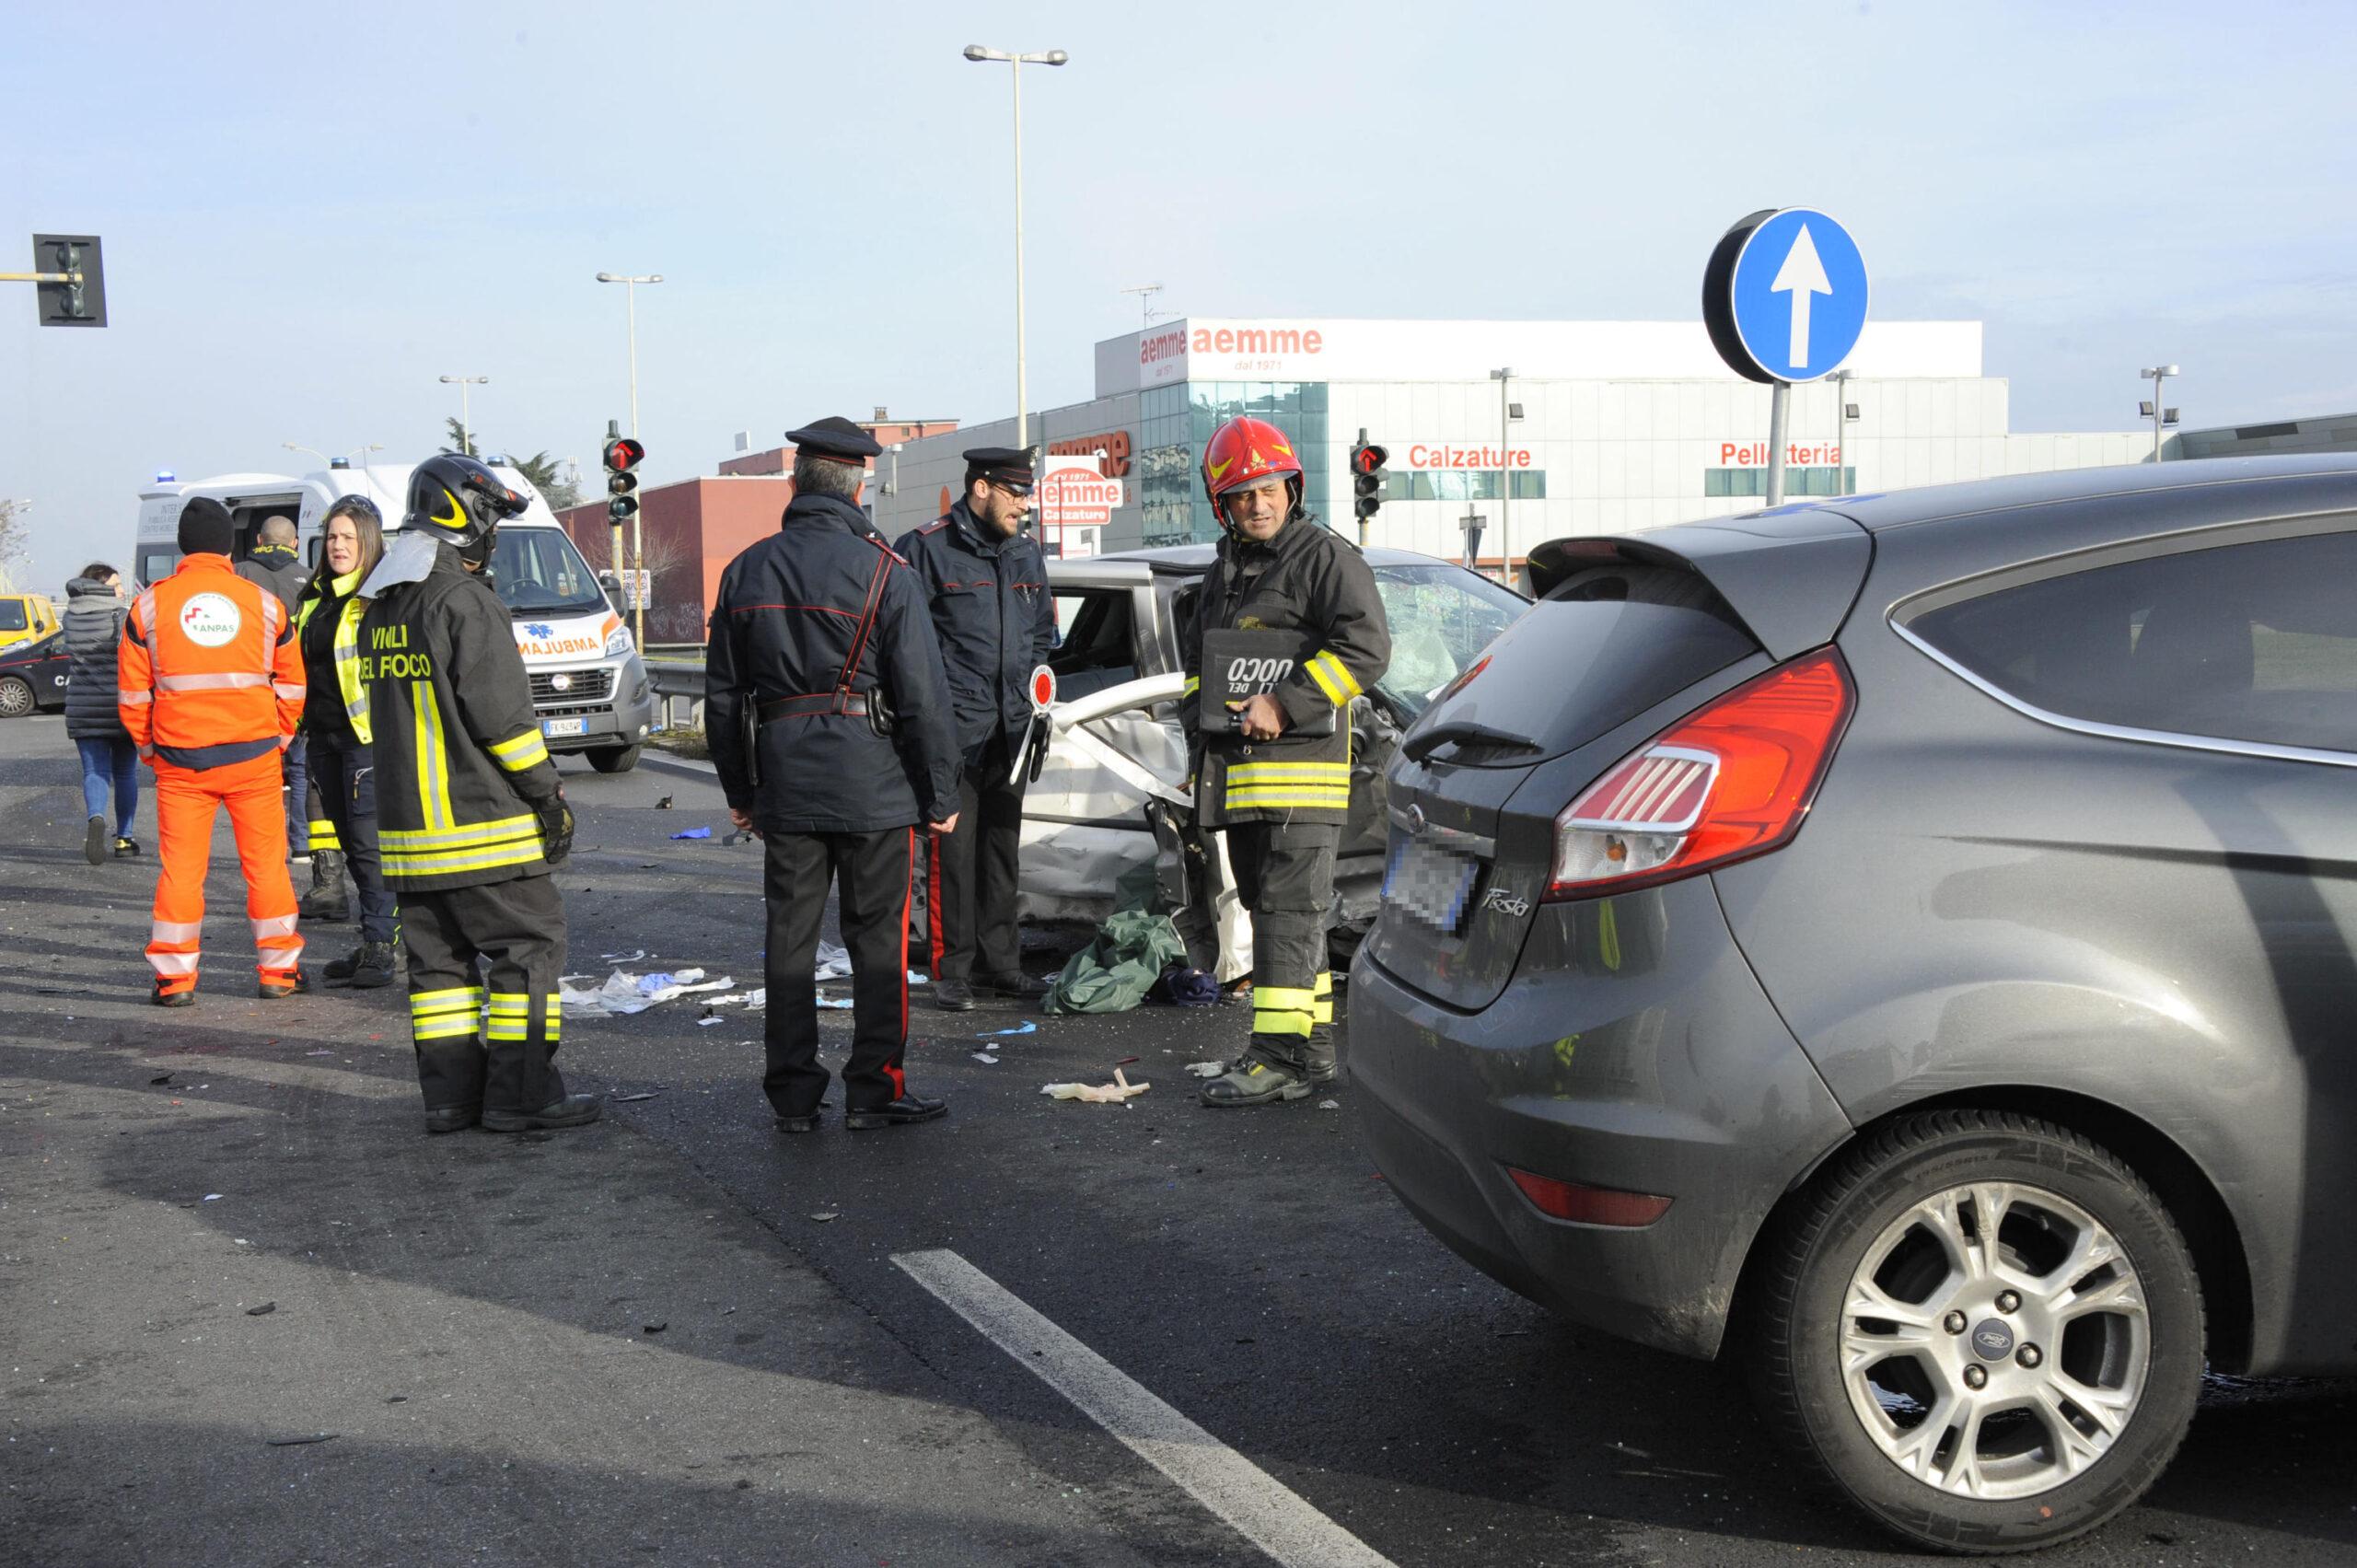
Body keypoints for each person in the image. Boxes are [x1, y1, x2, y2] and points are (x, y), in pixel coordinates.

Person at [706, 416, 963, 1133]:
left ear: (796, 482)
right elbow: (923, 699)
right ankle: (874, 1089)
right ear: (858, 484)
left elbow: (722, 699)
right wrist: (939, 793)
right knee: (876, 941)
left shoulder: (745, 570)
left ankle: (792, 1095)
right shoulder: (888, 571)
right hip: (875, 784)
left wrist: (740, 792)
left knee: (787, 939)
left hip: (785, 783)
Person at [359, 455, 594, 1135]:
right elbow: (505, 720)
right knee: (528, 951)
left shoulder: (385, 604)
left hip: (409, 840)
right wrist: (548, 794)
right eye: (490, 516)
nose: (494, 532)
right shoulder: (463, 600)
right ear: (463, 517)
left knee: (439, 974)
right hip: (482, 828)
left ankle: (451, 1098)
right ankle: (521, 1095)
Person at [1179, 415, 1390, 1107]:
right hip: (1241, 781)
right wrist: (1198, 744)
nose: (1259, 504)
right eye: (1243, 495)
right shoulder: (1224, 575)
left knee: (1287, 915)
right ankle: (1311, 1052)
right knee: (1283, 916)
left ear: (1292, 488)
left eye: (1270, 489)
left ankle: (1277, 1060)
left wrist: (1287, 703)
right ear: (1224, 506)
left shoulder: (1323, 559)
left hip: (1302, 780)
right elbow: (1198, 676)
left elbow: (1365, 648)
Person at [118, 497, 308, 1005]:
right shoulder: (264, 604)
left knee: (182, 872)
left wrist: (148, 749)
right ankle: (278, 972)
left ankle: (175, 980)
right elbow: (292, 682)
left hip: (181, 762)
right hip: (255, 758)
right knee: (267, 866)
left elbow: (134, 695)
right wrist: (280, 735)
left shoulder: (150, 606)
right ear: (231, 545)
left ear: (182, 545)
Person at [895, 447, 1056, 1011]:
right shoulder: (926, 549)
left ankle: (1000, 965)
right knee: (952, 857)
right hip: (950, 733)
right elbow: (905, 645)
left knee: (1000, 851)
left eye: (1027, 493)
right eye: (1015, 493)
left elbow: (1042, 635)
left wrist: (1032, 699)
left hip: (1011, 731)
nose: (1023, 505)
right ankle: (952, 968)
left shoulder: (1026, 554)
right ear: (981, 488)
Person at [295, 495, 398, 989]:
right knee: (352, 849)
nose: (337, 545)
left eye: (348, 538)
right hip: (322, 738)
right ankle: (372, 937)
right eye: (332, 537)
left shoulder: (381, 596)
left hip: (366, 740)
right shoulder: (314, 598)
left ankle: (382, 946)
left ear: (368, 543)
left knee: (368, 846)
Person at [238, 516, 314, 871]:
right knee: (299, 770)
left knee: (255, 773)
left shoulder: (238, 575)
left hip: (249, 690)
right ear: (294, 543)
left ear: (258, 539)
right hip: (297, 686)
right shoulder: (310, 577)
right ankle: (300, 846)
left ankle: (260, 852)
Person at [63, 563, 141, 864]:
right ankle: (125, 837)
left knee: (94, 772)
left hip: (82, 706)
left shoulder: (70, 618)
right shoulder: (119, 616)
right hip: (120, 707)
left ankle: (96, 816)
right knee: (124, 772)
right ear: (102, 587)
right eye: (117, 584)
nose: (122, 590)